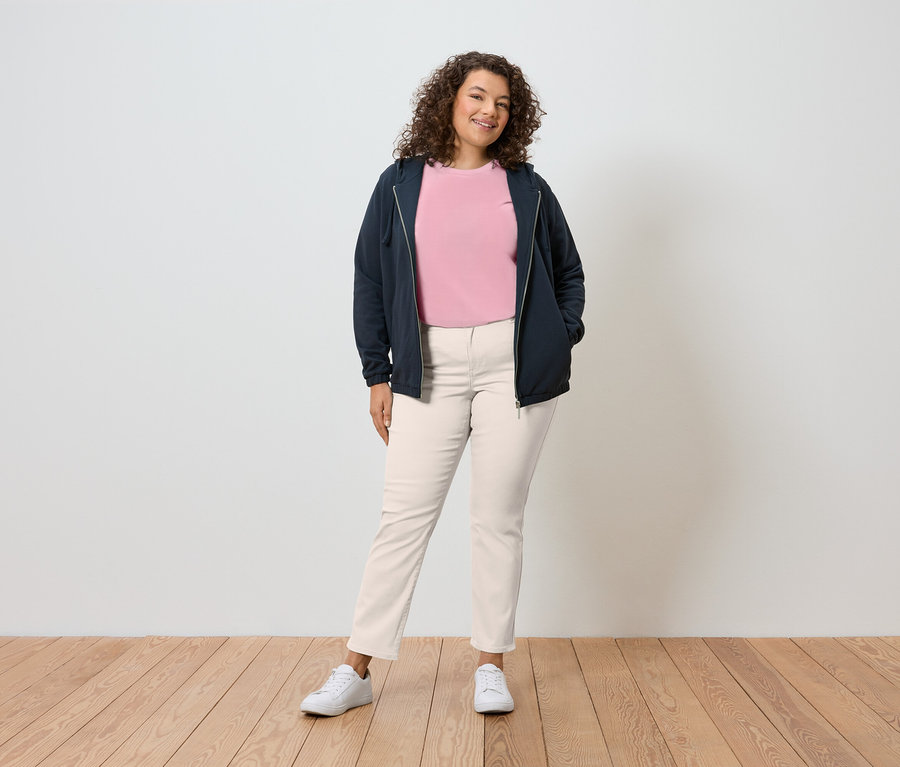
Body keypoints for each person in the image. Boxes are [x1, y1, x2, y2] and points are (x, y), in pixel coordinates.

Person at [301, 51, 585, 717]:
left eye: (503, 103)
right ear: (449, 101)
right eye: (478, 96)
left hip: (514, 366)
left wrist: (555, 332)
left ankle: (490, 664)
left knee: (497, 519)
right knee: (402, 518)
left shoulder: (527, 187)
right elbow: (369, 279)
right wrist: (378, 370)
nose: (490, 110)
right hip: (425, 366)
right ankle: (358, 667)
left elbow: (568, 271)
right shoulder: (400, 184)